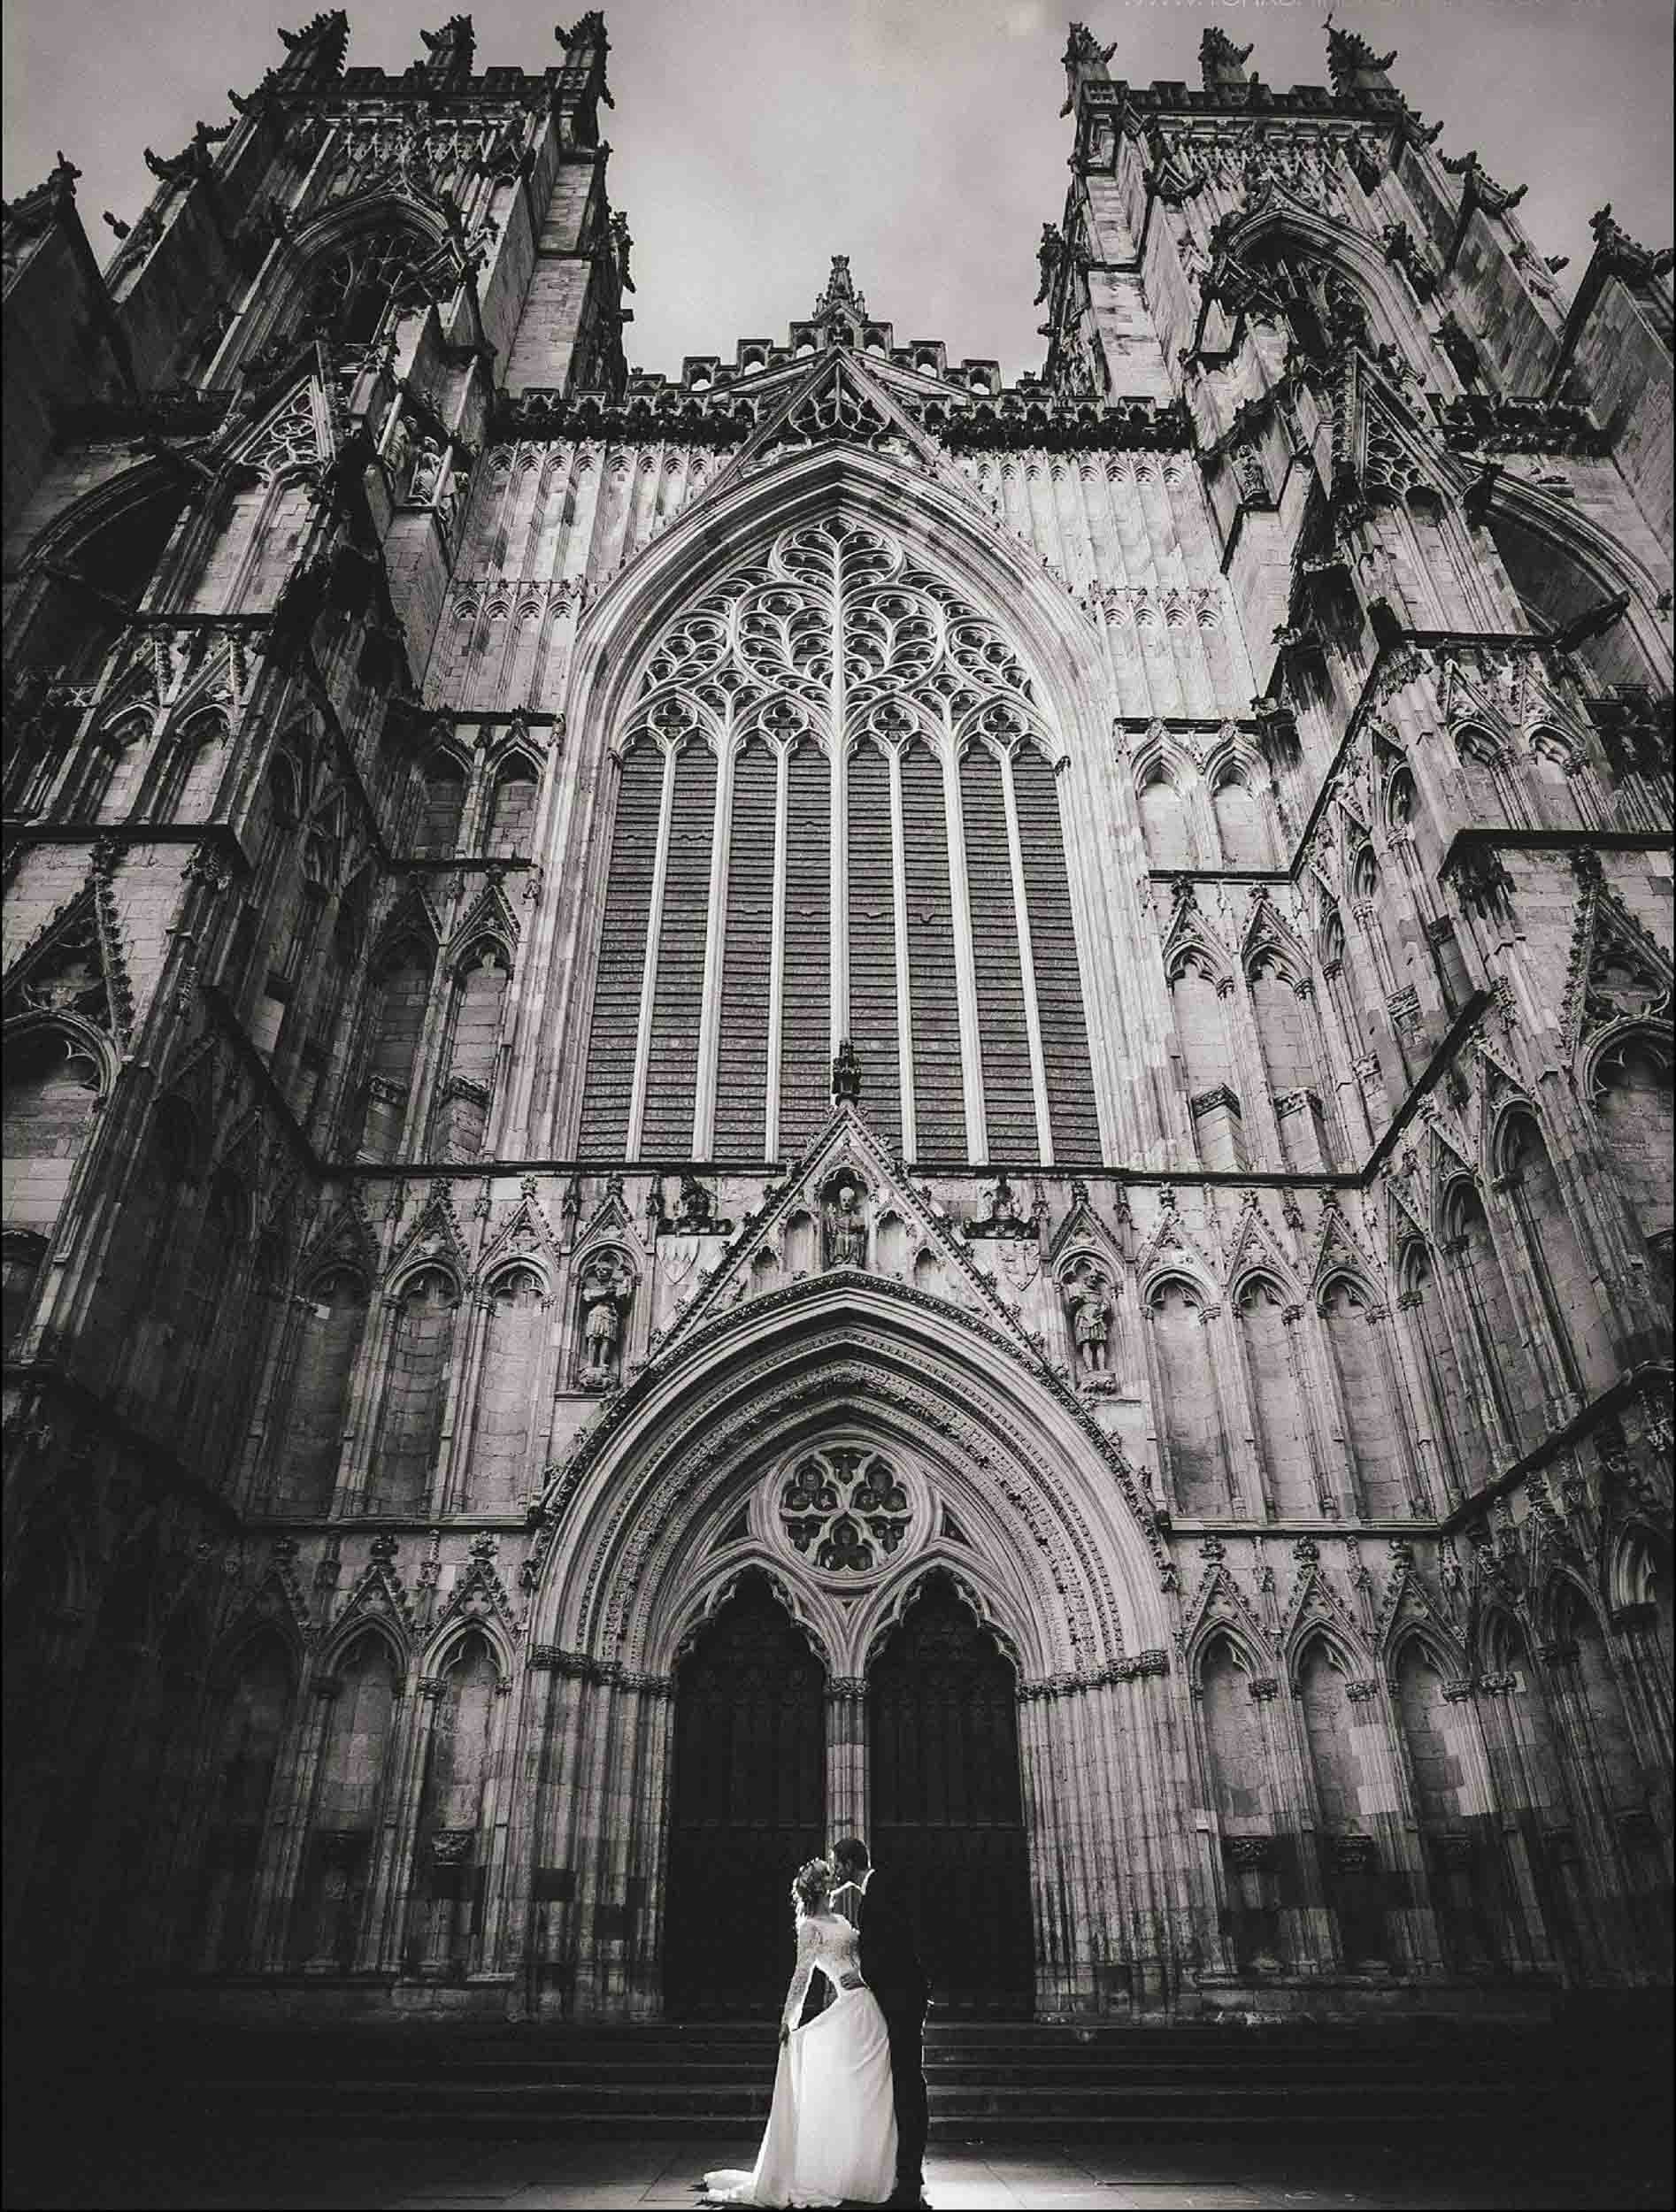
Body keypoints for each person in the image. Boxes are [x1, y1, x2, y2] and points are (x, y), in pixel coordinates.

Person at [703, 1857, 898, 2208]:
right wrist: (788, 2019)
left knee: (870, 2087)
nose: (835, 1877)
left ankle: (869, 2167)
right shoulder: (810, 1928)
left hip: (868, 2002)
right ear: (821, 1887)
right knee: (861, 2086)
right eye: (829, 1876)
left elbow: (864, 1953)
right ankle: (854, 2171)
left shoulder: (838, 1919)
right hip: (851, 2005)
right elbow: (802, 1975)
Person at [831, 1837, 930, 2210]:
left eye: (837, 1862)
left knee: (906, 2080)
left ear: (848, 1863)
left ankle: (909, 2177)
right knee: (904, 2079)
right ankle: (905, 2171)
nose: (835, 1870)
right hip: (902, 1995)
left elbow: (892, 1943)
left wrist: (865, 1975)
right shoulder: (881, 1888)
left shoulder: (881, 1891)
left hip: (902, 1998)